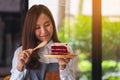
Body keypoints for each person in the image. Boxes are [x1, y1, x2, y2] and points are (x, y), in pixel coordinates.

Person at [10, 4, 75, 80]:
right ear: (31, 30)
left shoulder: (66, 51)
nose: (44, 31)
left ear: (52, 24)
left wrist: (63, 67)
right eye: (37, 27)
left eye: (47, 25)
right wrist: (20, 66)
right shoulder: (20, 53)